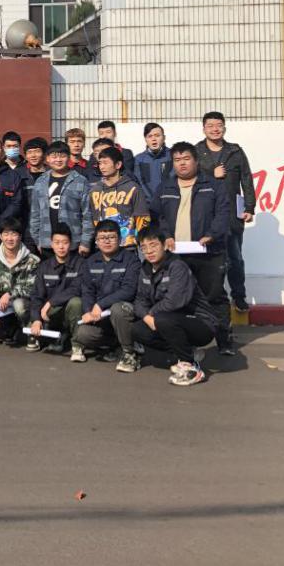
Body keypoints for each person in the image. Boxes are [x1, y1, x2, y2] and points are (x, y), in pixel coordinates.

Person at [150, 141, 235, 356]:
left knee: (214, 296)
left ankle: (224, 340)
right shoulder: (165, 188)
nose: (182, 164)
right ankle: (187, 342)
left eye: (186, 159)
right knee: (179, 297)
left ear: (196, 161)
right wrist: (166, 236)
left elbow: (223, 213)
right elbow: (157, 217)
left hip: (208, 252)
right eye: (177, 160)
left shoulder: (213, 185)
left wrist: (212, 234)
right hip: (176, 254)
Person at [110, 229, 216, 386]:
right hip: (169, 320)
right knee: (137, 330)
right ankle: (187, 353)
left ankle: (191, 368)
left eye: (153, 245)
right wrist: (147, 317)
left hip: (201, 323)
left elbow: (174, 302)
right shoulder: (145, 269)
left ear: (165, 246)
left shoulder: (177, 266)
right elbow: (139, 300)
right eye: (144, 247)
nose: (149, 251)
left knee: (162, 319)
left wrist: (151, 314)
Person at [195, 111, 256, 313]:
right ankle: (208, 299)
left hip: (231, 213)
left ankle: (239, 296)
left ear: (224, 127)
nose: (215, 129)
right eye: (210, 125)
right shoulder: (196, 152)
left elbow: (246, 179)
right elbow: (189, 179)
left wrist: (249, 207)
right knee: (207, 260)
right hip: (206, 213)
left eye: (219, 125)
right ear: (204, 129)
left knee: (235, 258)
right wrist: (210, 173)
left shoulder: (235, 151)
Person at [73, 220, 141, 363]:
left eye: (111, 237)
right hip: (101, 317)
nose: (107, 241)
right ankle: (115, 345)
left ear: (120, 239)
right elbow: (87, 290)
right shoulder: (90, 262)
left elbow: (129, 290)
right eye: (102, 238)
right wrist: (88, 311)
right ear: (96, 241)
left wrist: (100, 305)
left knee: (118, 309)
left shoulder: (131, 260)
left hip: (125, 313)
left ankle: (129, 352)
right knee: (82, 334)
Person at [27, 224, 84, 354]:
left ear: (71, 244)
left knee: (76, 302)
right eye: (57, 242)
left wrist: (50, 303)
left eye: (65, 242)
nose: (61, 246)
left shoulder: (80, 264)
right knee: (32, 324)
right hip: (50, 315)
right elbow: (37, 295)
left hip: (70, 312)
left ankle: (77, 346)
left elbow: (76, 289)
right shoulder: (44, 266)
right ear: (51, 244)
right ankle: (50, 336)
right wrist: (36, 319)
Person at [29, 141, 92, 255]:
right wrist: (37, 239)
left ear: (69, 158)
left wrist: (85, 242)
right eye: (54, 156)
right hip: (47, 242)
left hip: (73, 243)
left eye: (62, 156)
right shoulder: (40, 181)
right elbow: (35, 213)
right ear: (47, 158)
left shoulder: (80, 181)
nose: (58, 160)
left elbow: (87, 215)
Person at [0, 218, 40, 346]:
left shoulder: (33, 260)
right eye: (6, 234)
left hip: (25, 303)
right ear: (0, 236)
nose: (10, 238)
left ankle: (32, 332)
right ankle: (11, 330)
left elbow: (32, 287)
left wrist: (10, 294)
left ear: (20, 236)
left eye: (14, 234)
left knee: (19, 306)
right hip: (4, 304)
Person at [88, 145, 148, 249]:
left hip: (127, 246)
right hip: (102, 247)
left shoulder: (133, 188)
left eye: (105, 163)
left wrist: (139, 240)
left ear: (118, 164)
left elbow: (142, 217)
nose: (101, 167)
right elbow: (92, 219)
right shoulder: (95, 190)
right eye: (100, 163)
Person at [134, 122, 173, 205]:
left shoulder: (172, 156)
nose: (154, 139)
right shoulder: (139, 159)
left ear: (164, 138)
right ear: (145, 139)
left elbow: (173, 179)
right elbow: (139, 182)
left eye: (157, 135)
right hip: (148, 205)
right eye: (150, 136)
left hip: (169, 203)